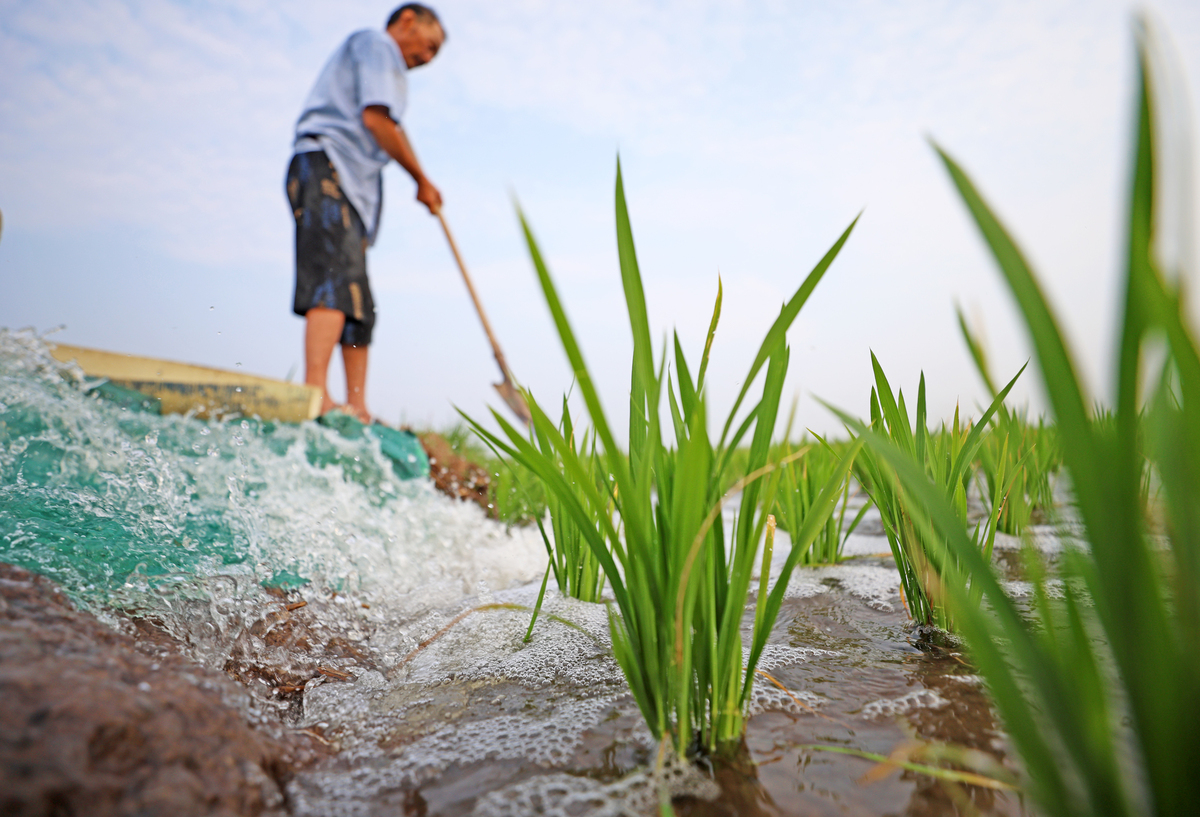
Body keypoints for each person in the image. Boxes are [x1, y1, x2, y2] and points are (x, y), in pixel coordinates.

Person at [286, 4, 445, 421]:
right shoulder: (377, 45)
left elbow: (387, 122)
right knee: (334, 278)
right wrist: (421, 181)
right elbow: (377, 119)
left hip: (351, 189)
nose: (427, 59)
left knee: (359, 301)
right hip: (325, 166)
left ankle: (357, 404)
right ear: (407, 21)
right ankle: (316, 390)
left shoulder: (388, 76)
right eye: (429, 47)